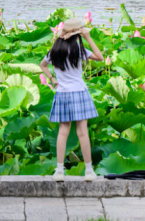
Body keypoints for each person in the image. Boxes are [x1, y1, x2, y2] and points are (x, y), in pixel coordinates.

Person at [40, 17, 104, 181]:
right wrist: (88, 37)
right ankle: (89, 171)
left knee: (63, 133)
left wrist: (52, 79)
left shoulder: (54, 50)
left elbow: (42, 65)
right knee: (82, 133)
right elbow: (100, 57)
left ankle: (59, 171)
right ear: (78, 35)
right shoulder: (79, 50)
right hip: (79, 93)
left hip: (62, 93)